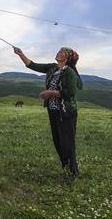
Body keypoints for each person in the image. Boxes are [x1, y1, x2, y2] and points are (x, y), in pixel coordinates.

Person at [13, 46, 83, 178]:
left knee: (67, 142)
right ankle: (66, 167)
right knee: (57, 140)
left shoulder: (69, 73)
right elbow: (32, 65)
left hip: (66, 112)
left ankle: (73, 173)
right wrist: (21, 54)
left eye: (62, 52)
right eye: (59, 50)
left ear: (67, 57)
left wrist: (50, 92)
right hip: (53, 110)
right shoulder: (52, 68)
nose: (58, 52)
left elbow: (70, 93)